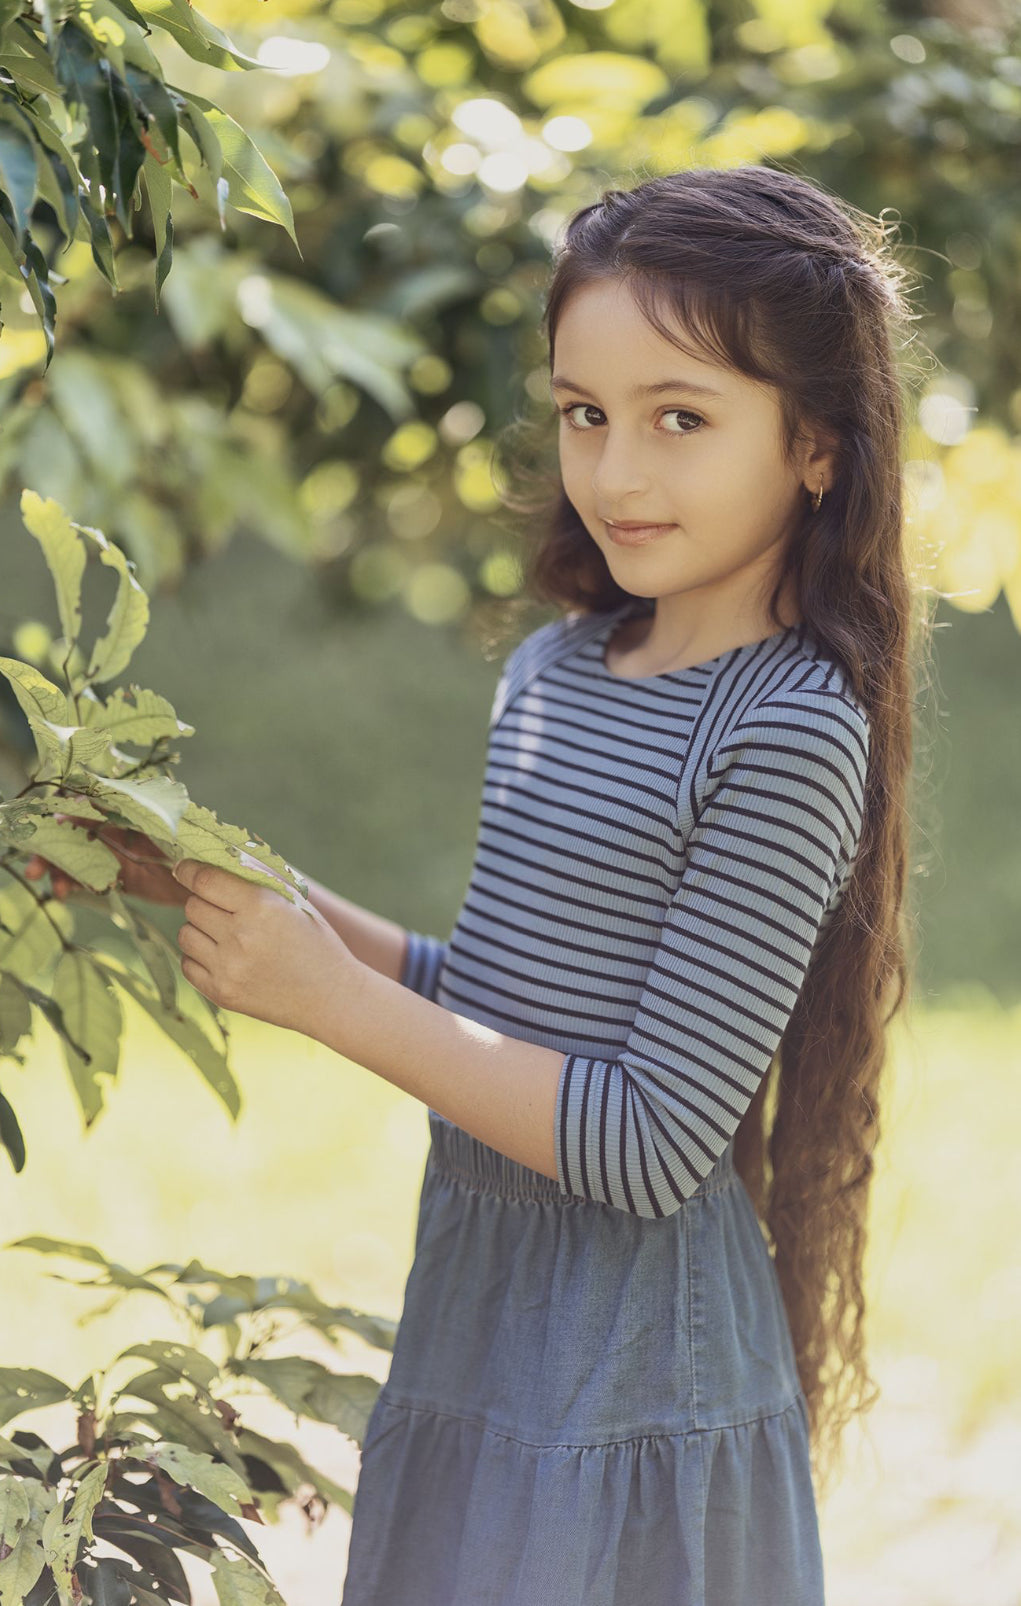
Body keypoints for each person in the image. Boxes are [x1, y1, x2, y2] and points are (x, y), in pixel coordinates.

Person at [25, 163, 926, 1605]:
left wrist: (323, 1001)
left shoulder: (787, 723)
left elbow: (645, 1140)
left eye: (678, 418)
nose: (616, 471)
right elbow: (505, 1006)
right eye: (584, 413)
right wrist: (212, 877)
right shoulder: (555, 670)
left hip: (631, 1377)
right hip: (481, 1321)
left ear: (815, 443)